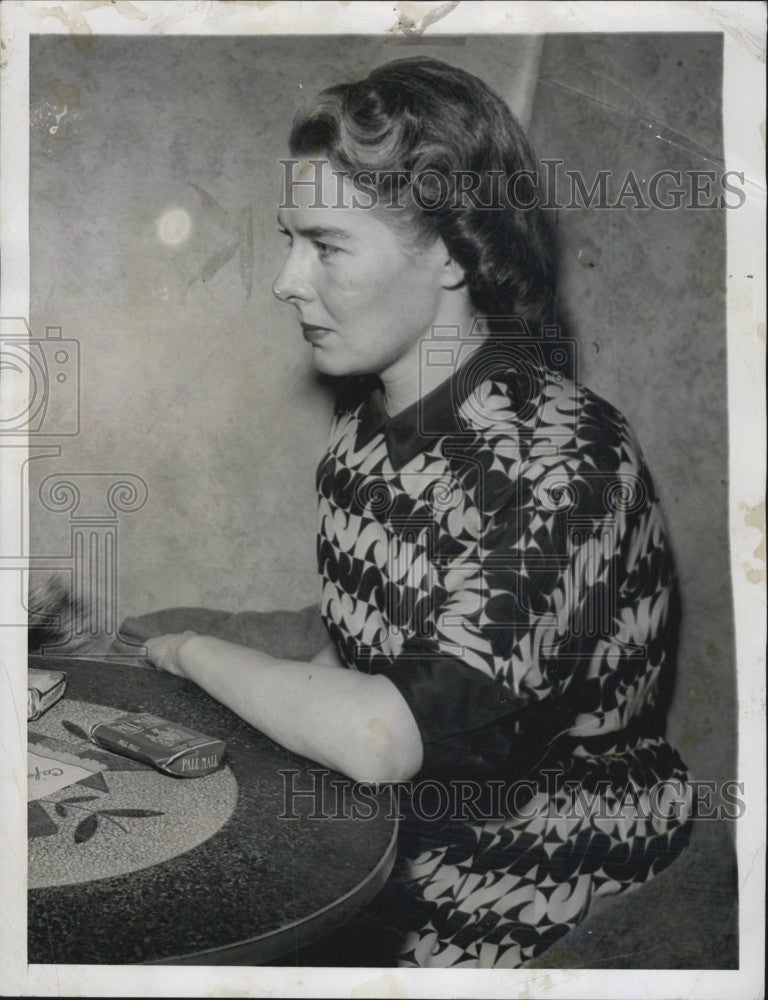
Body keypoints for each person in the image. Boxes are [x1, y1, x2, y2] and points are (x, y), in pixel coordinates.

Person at [144, 57, 692, 968]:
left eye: (324, 244)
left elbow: (383, 735)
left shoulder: (565, 457)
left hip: (546, 873)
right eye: (290, 240)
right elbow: (357, 658)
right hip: (395, 842)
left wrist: (188, 652)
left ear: (446, 249)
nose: (285, 279)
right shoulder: (361, 429)